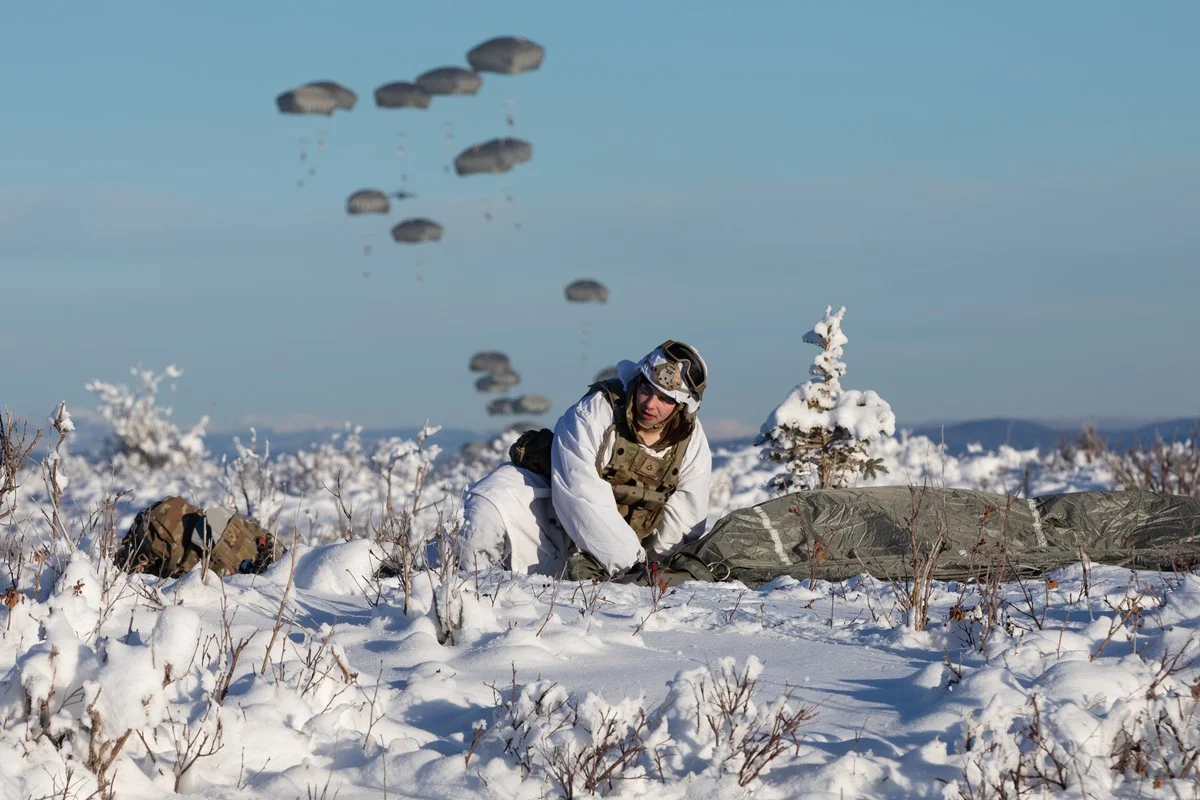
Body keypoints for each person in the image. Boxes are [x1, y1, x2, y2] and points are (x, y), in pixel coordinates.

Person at [461, 340, 712, 580]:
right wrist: (630, 566)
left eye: (665, 399)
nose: (650, 403)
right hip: (559, 525)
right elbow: (581, 495)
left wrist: (656, 570)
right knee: (492, 497)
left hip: (636, 555)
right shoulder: (593, 412)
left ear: (681, 406)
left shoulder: (691, 440)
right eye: (646, 389)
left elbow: (687, 514)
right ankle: (473, 586)